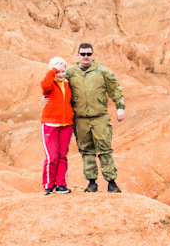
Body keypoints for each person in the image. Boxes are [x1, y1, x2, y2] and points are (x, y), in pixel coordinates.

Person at [65, 41, 124, 193]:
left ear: (93, 55)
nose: (86, 57)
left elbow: (115, 89)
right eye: (83, 54)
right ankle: (91, 183)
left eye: (88, 54)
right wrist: (46, 98)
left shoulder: (103, 72)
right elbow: (58, 89)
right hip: (80, 119)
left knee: (104, 149)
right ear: (78, 56)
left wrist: (120, 108)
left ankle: (111, 182)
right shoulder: (70, 74)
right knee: (86, 150)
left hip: (100, 118)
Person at [40, 57, 74, 194]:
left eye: (62, 71)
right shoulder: (50, 84)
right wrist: (53, 70)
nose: (60, 74)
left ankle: (61, 185)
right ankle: (48, 185)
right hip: (50, 124)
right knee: (51, 156)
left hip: (66, 124)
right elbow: (45, 86)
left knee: (62, 155)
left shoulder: (68, 83)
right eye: (57, 71)